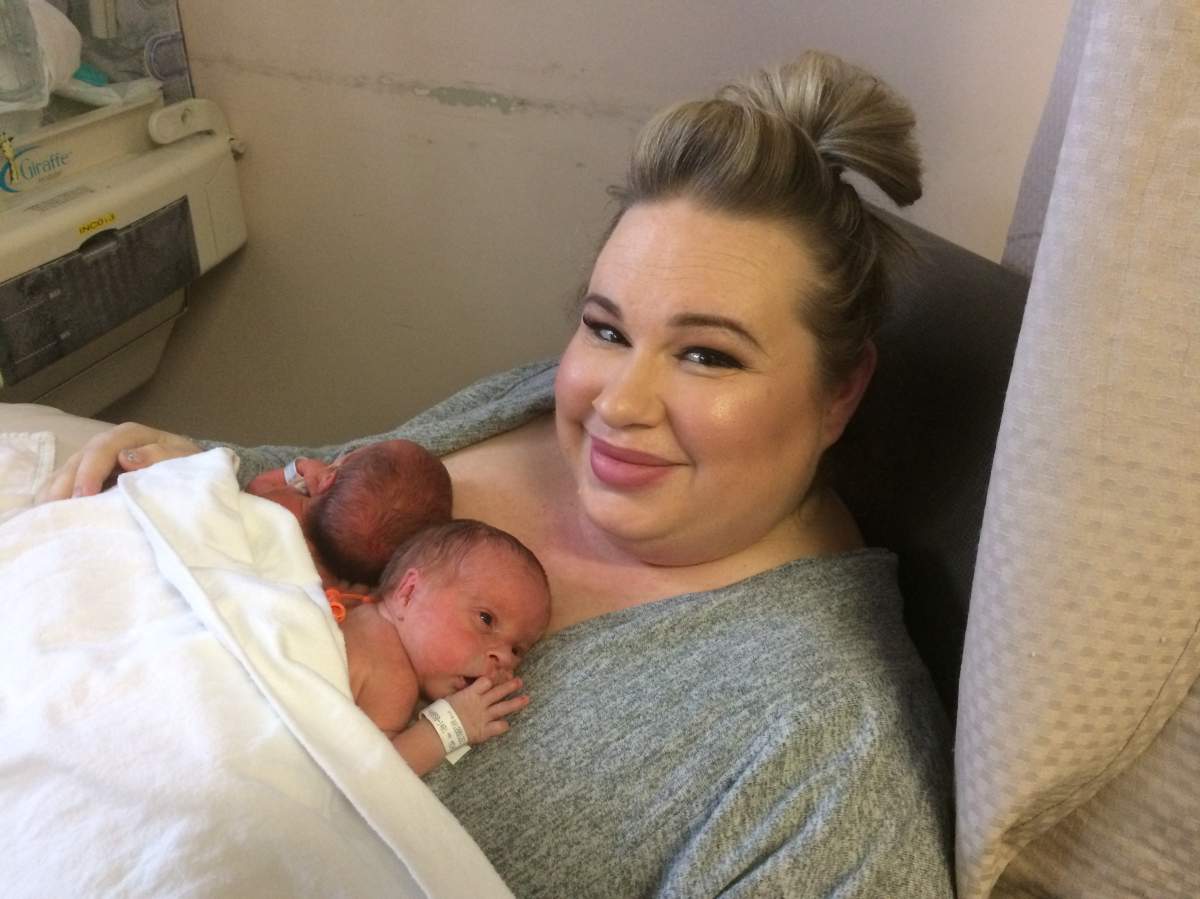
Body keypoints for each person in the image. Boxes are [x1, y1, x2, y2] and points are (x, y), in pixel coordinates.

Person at [40, 51, 954, 897]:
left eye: (709, 355)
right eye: (606, 328)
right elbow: (330, 495)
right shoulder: (528, 406)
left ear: (841, 389)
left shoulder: (827, 747)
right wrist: (192, 466)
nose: (616, 401)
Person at [332, 518, 551, 777]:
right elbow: (373, 777)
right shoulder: (394, 679)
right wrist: (454, 725)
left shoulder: (349, 604)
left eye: (517, 650)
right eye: (485, 619)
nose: (503, 657)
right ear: (409, 592)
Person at [243, 438, 452, 586]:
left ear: (328, 479)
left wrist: (301, 467)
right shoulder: (330, 579)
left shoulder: (280, 502)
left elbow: (255, 485)